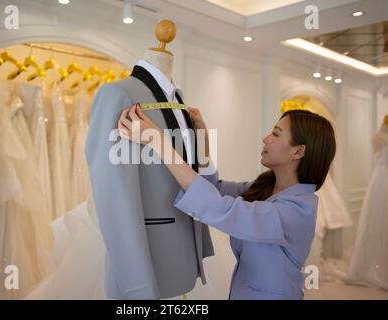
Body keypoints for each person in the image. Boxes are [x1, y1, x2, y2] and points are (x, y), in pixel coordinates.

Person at [118, 105, 336, 300]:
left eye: (276, 134)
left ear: (298, 151)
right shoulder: (266, 188)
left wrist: (159, 143)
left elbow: (222, 209)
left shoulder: (298, 211)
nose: (265, 138)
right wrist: (202, 138)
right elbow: (213, 190)